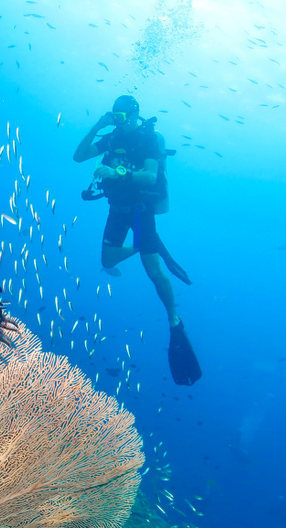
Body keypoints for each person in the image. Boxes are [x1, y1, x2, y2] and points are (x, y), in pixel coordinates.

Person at [73, 95, 201, 385]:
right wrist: (99, 124)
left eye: (123, 117)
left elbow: (150, 176)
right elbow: (78, 156)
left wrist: (116, 170)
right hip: (116, 209)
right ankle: (147, 245)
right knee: (107, 261)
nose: (120, 122)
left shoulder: (147, 139)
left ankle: (174, 320)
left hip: (141, 210)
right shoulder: (112, 137)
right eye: (115, 116)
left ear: (134, 115)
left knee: (154, 271)